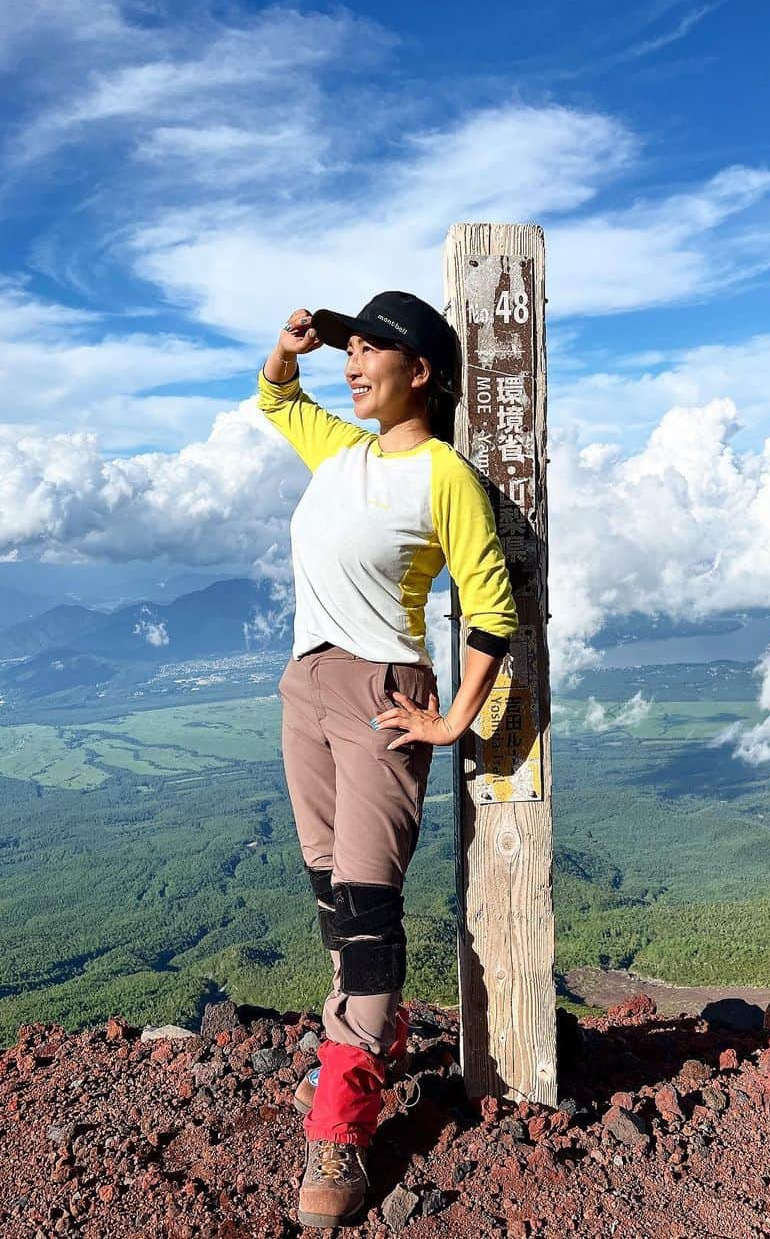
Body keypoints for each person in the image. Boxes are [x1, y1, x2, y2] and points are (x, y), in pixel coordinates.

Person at [256, 291, 519, 1228]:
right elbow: (278, 401)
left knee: (367, 917)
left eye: (373, 351)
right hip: (306, 687)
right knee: (332, 900)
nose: (353, 363)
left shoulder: (442, 474)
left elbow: (492, 606)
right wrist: (296, 346)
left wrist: (452, 721)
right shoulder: (345, 452)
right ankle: (359, 1046)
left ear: (423, 372)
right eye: (350, 349)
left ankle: (343, 1125)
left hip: (379, 699)